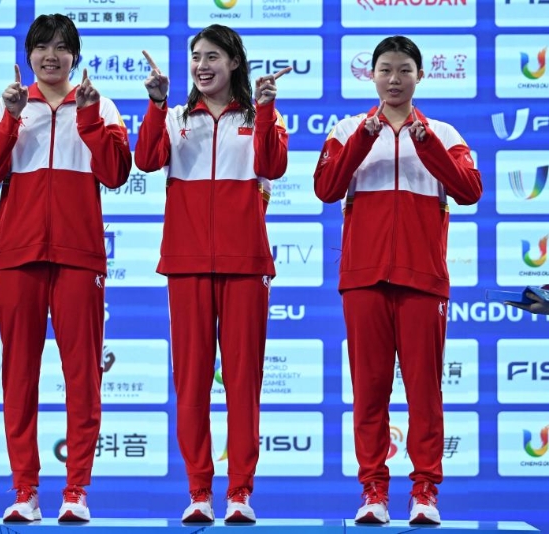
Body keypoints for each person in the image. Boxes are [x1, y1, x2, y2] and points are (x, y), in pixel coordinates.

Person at [313, 35, 482, 525]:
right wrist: (364, 138)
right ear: (372, 75)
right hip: (363, 278)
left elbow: (470, 190)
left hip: (423, 278)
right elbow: (326, 187)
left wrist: (426, 144)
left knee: (425, 393)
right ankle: (373, 492)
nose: (394, 79)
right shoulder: (348, 129)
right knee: (369, 392)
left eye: (404, 70)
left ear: (419, 76)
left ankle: (425, 492)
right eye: (385, 69)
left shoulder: (444, 133)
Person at [0, 13, 131, 523]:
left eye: (62, 47)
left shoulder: (100, 105)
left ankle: (76, 490)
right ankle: (25, 491)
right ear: (29, 55)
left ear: (75, 57)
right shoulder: (8, 103)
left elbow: (116, 174)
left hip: (78, 255)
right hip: (17, 255)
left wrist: (88, 118)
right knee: (19, 376)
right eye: (42, 47)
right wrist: (11, 118)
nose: (51, 56)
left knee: (82, 376)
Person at [135, 25, 289, 524]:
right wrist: (156, 104)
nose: (202, 66)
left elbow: (274, 165)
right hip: (186, 265)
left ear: (235, 62)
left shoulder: (260, 117)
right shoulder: (175, 118)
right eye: (196, 57)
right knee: (192, 382)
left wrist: (265, 108)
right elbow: (146, 159)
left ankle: (240, 492)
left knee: (243, 383)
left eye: (213, 56)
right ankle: (199, 491)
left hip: (246, 265)